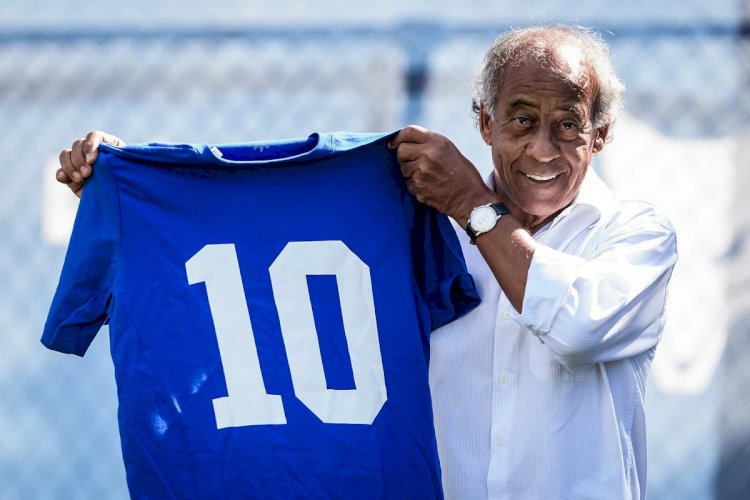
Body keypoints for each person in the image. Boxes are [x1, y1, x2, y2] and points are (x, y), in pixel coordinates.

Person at [56, 24, 677, 500]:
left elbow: (577, 327)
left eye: (568, 124)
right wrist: (135, 190)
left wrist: (474, 205)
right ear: (484, 123)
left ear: (601, 134)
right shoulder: (421, 222)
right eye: (522, 119)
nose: (543, 147)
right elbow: (271, 233)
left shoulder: (637, 236)